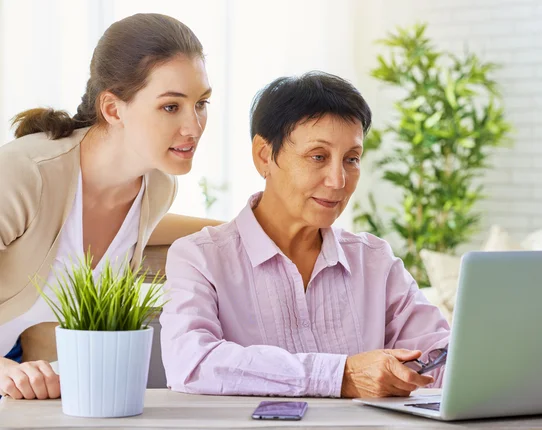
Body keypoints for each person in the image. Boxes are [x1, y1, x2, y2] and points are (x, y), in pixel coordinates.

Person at [160, 72, 450, 398]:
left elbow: (440, 358)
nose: (338, 180)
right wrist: (341, 376)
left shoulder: (374, 260)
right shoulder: (200, 257)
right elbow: (192, 363)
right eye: (318, 157)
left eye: (352, 159)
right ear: (264, 155)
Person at [0, 13, 221, 400]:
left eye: (201, 103)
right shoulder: (26, 173)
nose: (194, 126)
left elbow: (139, 224)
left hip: (34, 384)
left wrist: (249, 227)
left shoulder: (156, 185)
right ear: (113, 109)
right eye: (171, 107)